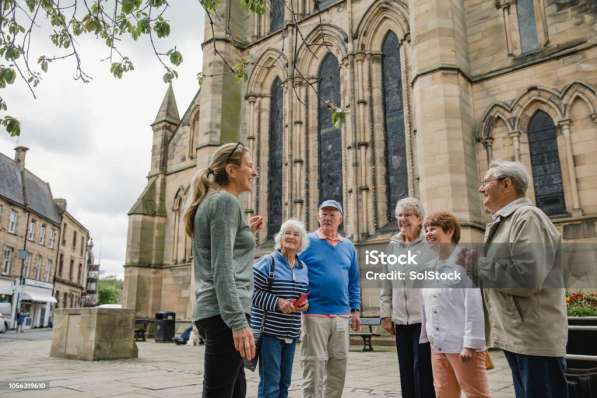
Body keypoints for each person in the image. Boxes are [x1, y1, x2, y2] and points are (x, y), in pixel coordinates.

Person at [462, 159, 567, 398]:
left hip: (534, 340)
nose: (480, 189)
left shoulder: (527, 218)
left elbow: (526, 279)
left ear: (507, 184)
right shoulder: (505, 222)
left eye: (486, 182)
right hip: (517, 337)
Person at [183, 142, 263, 398]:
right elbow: (222, 266)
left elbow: (220, 253)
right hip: (225, 314)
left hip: (217, 312)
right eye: (249, 165)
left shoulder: (214, 202)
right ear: (231, 170)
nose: (255, 171)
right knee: (219, 392)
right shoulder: (225, 202)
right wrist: (237, 321)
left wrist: (245, 233)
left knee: (235, 390)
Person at [420, 212, 490, 398]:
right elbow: (428, 308)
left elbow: (474, 305)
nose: (427, 233)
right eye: (425, 230)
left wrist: (470, 344)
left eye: (432, 228)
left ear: (449, 231)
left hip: (463, 346)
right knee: (443, 393)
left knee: (476, 394)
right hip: (438, 345)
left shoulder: (466, 261)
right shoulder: (429, 267)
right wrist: (428, 338)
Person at [300, 200, 361, 398]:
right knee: (314, 365)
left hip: (341, 315)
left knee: (338, 366)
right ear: (318, 217)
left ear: (340, 219)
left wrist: (355, 309)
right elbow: (293, 270)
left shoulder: (348, 246)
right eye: (324, 213)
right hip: (314, 314)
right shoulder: (307, 241)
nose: (327, 217)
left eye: (332, 214)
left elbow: (353, 280)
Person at [379, 197, 435, 398]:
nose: (403, 219)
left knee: (422, 368)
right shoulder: (393, 246)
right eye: (399, 215)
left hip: (424, 320)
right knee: (405, 369)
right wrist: (386, 314)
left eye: (408, 215)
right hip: (401, 319)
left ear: (419, 219)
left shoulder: (430, 245)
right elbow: (386, 282)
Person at [251, 219, 310, 398]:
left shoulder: (303, 267)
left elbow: (304, 294)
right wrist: (277, 302)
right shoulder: (268, 262)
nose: (291, 237)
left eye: (296, 234)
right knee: (270, 385)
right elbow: (250, 293)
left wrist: (304, 305)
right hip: (269, 333)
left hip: (291, 334)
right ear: (280, 237)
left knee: (285, 383)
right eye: (287, 233)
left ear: (302, 242)